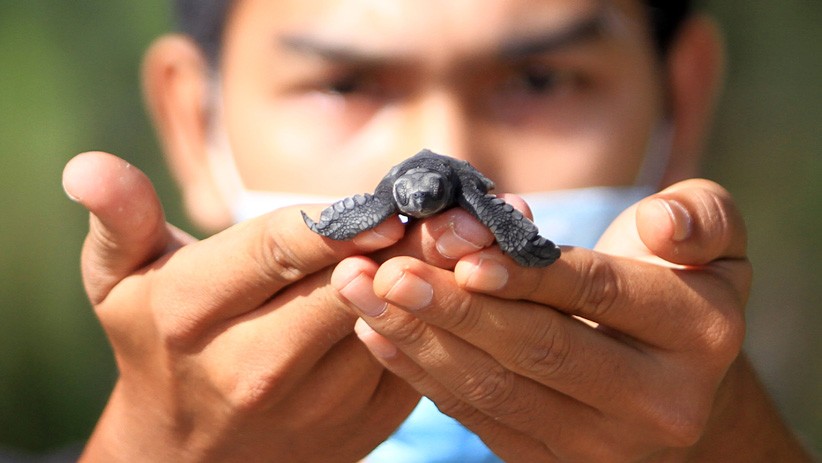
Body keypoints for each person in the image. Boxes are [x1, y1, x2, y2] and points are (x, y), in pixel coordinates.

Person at [60, 0, 812, 461]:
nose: (456, 140)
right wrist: (149, 452)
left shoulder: (475, 190)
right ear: (196, 123)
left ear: (679, 105)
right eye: (345, 84)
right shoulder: (394, 194)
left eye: (540, 79)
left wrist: (731, 445)